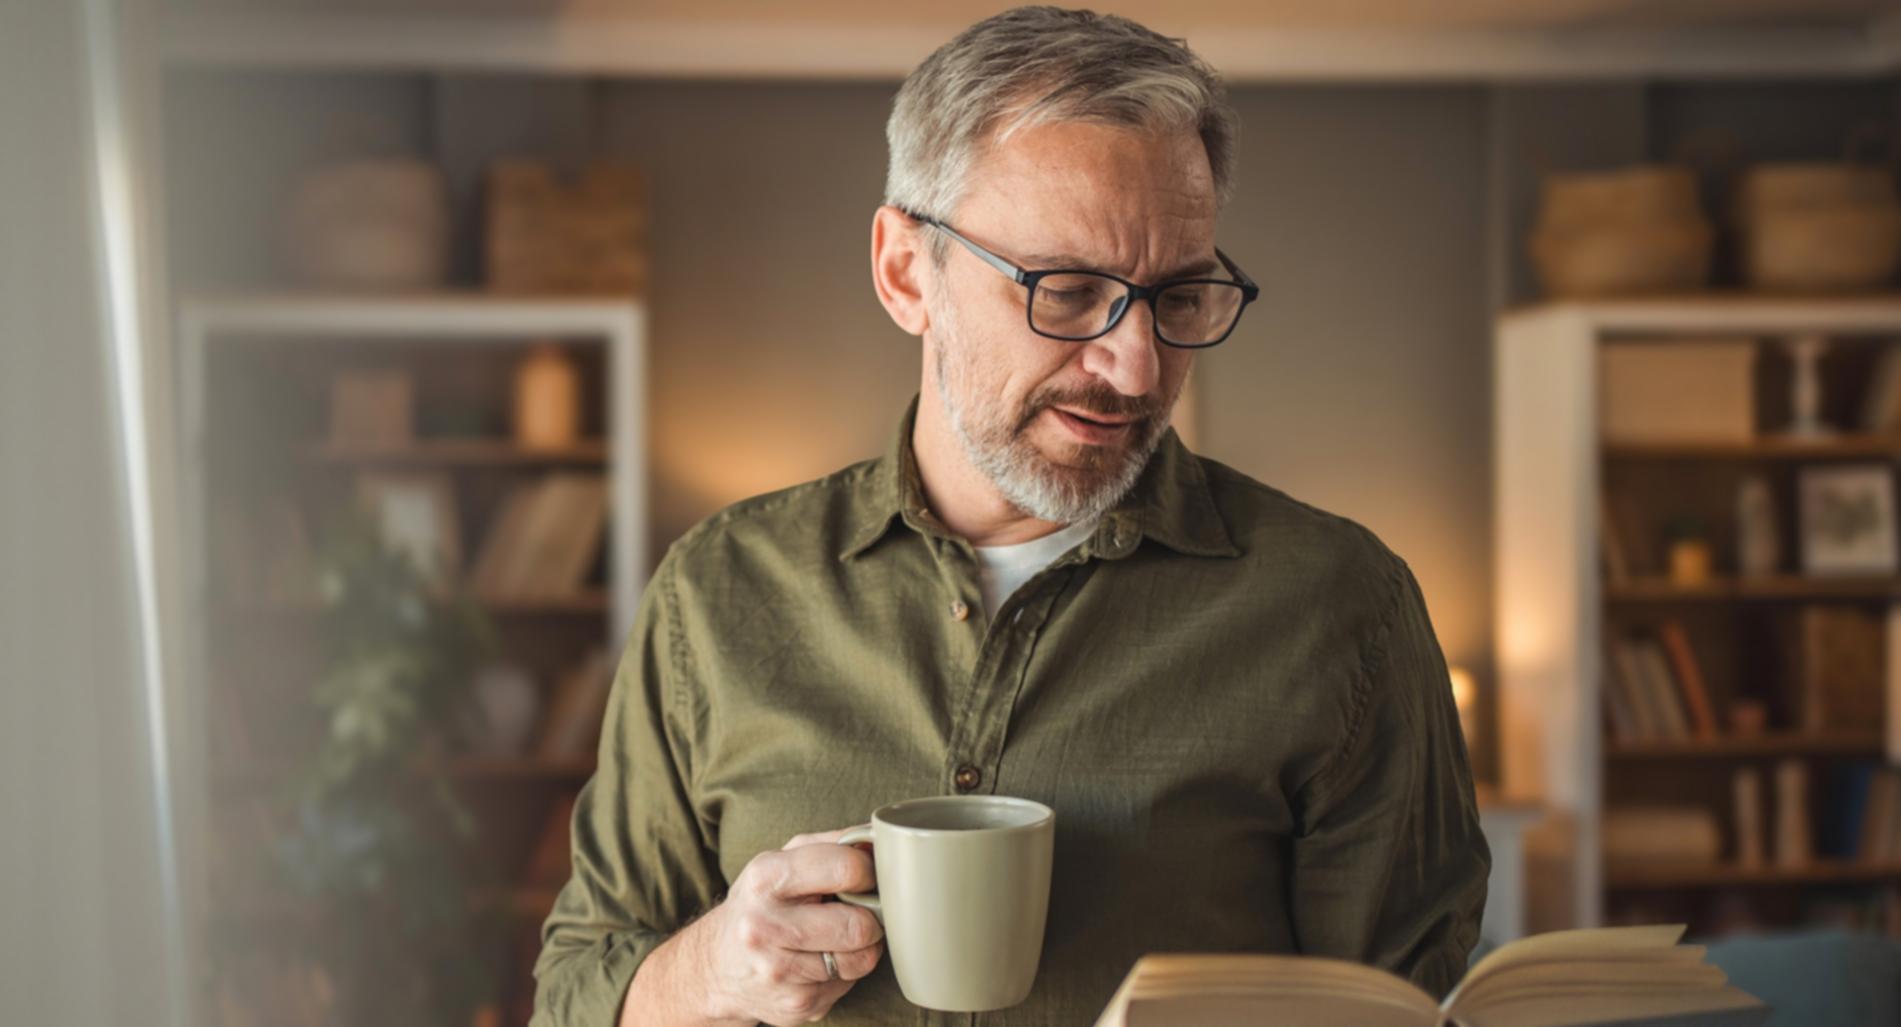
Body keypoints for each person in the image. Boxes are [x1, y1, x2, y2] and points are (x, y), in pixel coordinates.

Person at [531, 7, 1489, 1026]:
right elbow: (574, 991)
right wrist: (712, 970)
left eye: (1177, 297)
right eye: (1067, 291)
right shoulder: (716, 593)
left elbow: (1403, 1005)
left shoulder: (1342, 607)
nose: (1135, 368)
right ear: (906, 272)